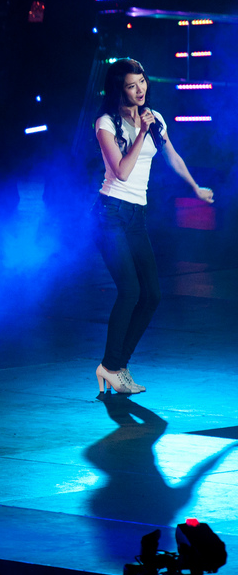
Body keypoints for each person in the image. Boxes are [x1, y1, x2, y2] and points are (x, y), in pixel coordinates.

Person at [92, 58, 214, 395]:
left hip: (136, 216)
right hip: (110, 214)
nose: (140, 90)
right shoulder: (106, 123)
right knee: (130, 291)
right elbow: (122, 172)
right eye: (131, 86)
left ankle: (117, 365)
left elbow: (172, 155)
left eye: (142, 82)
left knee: (152, 295)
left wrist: (195, 187)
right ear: (119, 89)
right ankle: (110, 366)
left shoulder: (155, 118)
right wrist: (141, 133)